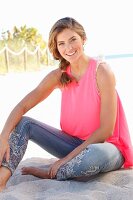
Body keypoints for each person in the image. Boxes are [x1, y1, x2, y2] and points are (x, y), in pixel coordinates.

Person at [0, 17, 133, 192]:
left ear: (83, 39)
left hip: (107, 148)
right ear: (57, 48)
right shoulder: (58, 76)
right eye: (61, 43)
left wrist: (64, 159)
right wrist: (3, 137)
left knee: (92, 157)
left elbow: (106, 131)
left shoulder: (102, 71)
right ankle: (2, 179)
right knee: (24, 123)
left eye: (73, 40)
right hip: (74, 145)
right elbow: (22, 106)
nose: (68, 48)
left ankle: (51, 173)